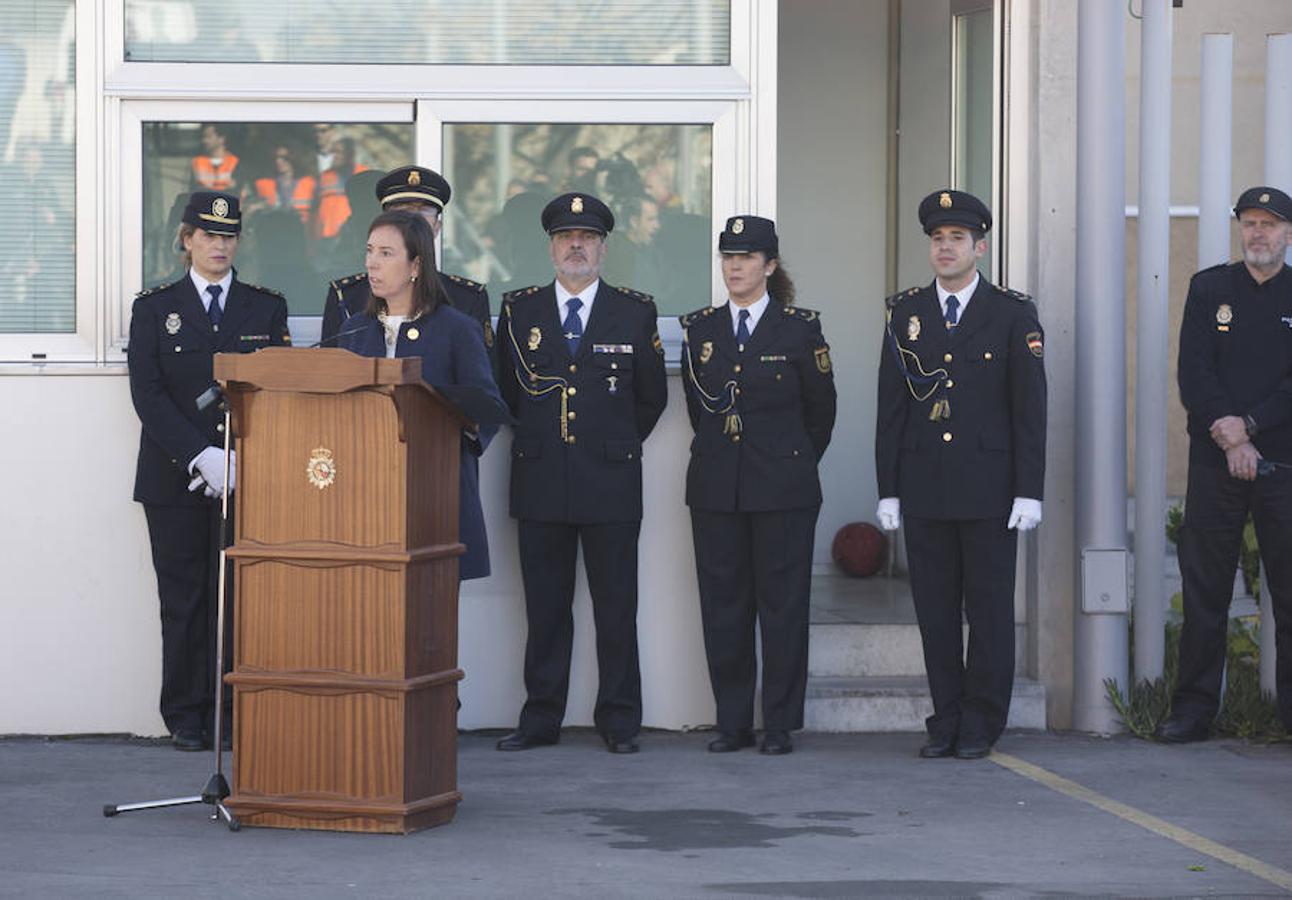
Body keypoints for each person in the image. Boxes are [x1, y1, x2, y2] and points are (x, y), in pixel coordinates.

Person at [874, 189, 1047, 760]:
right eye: (937, 238)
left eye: (957, 238)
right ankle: (945, 717)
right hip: (925, 490)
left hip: (991, 492)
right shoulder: (906, 313)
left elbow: (1029, 410)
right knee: (936, 615)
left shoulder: (1012, 312)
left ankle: (981, 722)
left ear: (981, 246)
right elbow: (891, 408)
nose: (945, 248)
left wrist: (1029, 490)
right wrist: (889, 489)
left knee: (991, 615)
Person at [494, 192, 668, 754]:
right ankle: (541, 717)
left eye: (588, 238)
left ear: (603, 248)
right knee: (546, 610)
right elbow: (504, 393)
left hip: (611, 482)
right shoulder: (520, 311)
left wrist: (610, 444)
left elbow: (651, 398)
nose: (577, 246)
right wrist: (546, 440)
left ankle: (619, 720)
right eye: (568, 237)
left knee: (617, 607)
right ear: (550, 247)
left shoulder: (635, 311)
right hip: (541, 478)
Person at [127, 191, 290, 751]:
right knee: (184, 597)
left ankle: (234, 705)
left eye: (228, 236)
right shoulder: (154, 307)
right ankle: (186, 714)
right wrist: (201, 455)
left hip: (247, 473)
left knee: (243, 597)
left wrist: (241, 456)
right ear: (186, 240)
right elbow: (147, 395)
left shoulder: (265, 307)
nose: (219, 245)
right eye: (208, 235)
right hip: (175, 478)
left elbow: (276, 390)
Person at [680, 215, 837, 755]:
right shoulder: (701, 329)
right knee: (723, 606)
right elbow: (700, 412)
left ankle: (778, 723)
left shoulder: (799, 329)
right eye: (728, 258)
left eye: (746, 258)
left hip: (784, 489)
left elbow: (821, 413)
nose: (735, 267)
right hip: (718, 486)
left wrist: (788, 462)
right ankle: (732, 721)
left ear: (769, 266)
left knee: (783, 606)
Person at [1156, 186, 1292, 743]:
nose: (1258, 233)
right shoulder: (1209, 287)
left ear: (1288, 234)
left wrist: (1251, 428)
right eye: (1250, 223)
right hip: (1216, 463)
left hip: (1283, 466)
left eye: (1270, 224)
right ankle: (1192, 711)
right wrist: (1232, 439)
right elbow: (1195, 373)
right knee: (1205, 592)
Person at [336, 210, 505, 581]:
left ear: (416, 265)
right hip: (364, 500)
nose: (371, 263)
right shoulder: (352, 331)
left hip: (434, 500)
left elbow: (487, 407)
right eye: (369, 251)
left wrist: (456, 422)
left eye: (386, 253)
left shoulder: (456, 329)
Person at [321, 166, 492, 352]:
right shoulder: (347, 297)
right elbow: (329, 373)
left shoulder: (467, 298)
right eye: (400, 213)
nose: (412, 222)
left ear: (437, 227)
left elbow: (481, 376)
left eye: (422, 213)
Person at [191, 123, 239, 192]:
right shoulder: (197, 162)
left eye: (209, 137)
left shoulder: (235, 162)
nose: (204, 141)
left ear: (221, 139)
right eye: (203, 137)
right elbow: (192, 192)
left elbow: (240, 193)